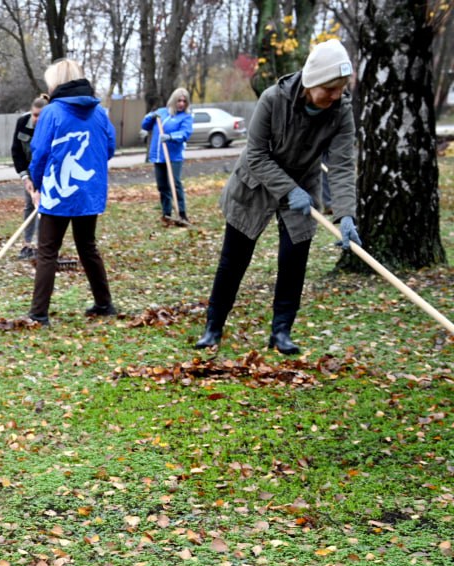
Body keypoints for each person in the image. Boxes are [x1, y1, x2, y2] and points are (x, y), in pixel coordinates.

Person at [195, 38, 360, 355]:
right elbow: (256, 155)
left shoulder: (340, 111)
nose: (337, 95)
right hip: (255, 184)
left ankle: (281, 332)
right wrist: (288, 189)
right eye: (331, 89)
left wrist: (345, 215)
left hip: (303, 186)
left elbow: (341, 166)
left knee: (293, 261)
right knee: (234, 260)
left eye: (341, 88)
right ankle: (213, 327)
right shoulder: (273, 100)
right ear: (312, 83)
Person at [25, 58, 118, 327]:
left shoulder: (53, 112)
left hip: (59, 192)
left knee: (47, 251)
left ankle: (38, 314)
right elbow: (109, 147)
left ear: (55, 82)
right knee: (87, 246)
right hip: (88, 192)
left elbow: (39, 152)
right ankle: (104, 303)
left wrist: (38, 183)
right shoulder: (100, 112)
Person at [141, 88, 193, 226]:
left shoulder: (186, 117)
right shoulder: (162, 113)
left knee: (175, 184)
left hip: (173, 156)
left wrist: (171, 137)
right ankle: (167, 214)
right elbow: (145, 126)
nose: (181, 103)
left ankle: (182, 214)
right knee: (162, 186)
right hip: (158, 155)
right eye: (179, 100)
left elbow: (185, 134)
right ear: (173, 100)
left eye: (184, 101)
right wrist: (150, 116)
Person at [10, 94, 49, 259]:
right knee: (30, 205)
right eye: (34, 114)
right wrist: (25, 178)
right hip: (30, 172)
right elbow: (16, 151)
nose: (36, 119)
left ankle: (43, 246)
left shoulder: (51, 126)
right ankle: (27, 245)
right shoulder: (22, 123)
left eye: (40, 115)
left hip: (48, 173)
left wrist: (41, 184)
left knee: (44, 208)